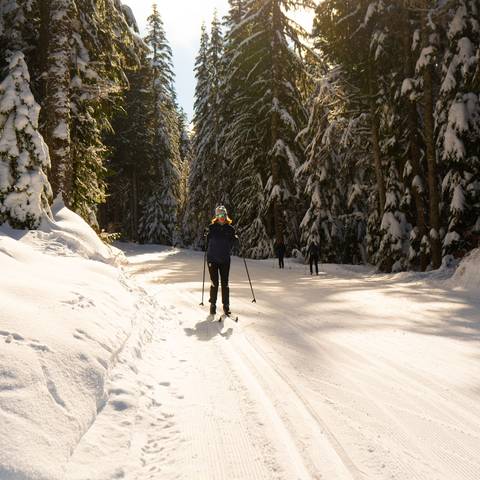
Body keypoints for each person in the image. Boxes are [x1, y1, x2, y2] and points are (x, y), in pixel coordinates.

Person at [205, 205, 237, 315]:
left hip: (224, 259)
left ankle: (226, 305)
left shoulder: (230, 229)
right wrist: (205, 235)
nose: (221, 217)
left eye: (223, 215)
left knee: (225, 283)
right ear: (216, 216)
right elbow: (206, 241)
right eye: (219, 215)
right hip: (212, 259)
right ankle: (212, 305)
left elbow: (232, 244)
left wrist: (235, 239)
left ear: (226, 215)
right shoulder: (211, 227)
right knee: (214, 283)